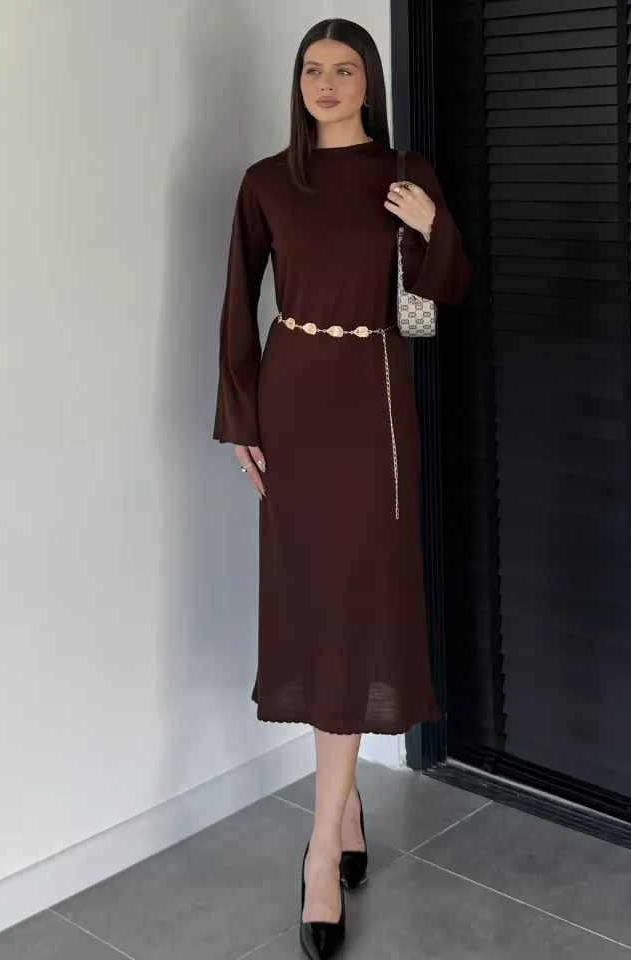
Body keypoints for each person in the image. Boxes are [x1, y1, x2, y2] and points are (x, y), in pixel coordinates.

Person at [213, 17, 470, 960]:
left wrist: (431, 227)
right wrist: (241, 418)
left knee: (360, 604)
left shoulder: (403, 171)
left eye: (345, 69)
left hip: (375, 402)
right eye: (313, 69)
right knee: (315, 601)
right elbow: (236, 303)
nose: (327, 83)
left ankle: (322, 848)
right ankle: (344, 811)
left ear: (370, 82)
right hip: (293, 403)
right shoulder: (265, 182)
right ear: (299, 82)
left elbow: (440, 298)